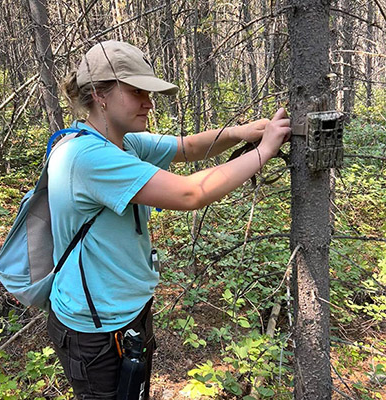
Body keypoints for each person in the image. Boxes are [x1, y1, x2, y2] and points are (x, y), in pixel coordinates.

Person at [46, 40, 291, 400]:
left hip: (128, 313)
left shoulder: (123, 143)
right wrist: (265, 150)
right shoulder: (87, 157)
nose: (149, 101)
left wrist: (242, 133)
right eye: (136, 91)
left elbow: (187, 147)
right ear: (99, 94)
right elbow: (189, 194)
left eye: (149, 91)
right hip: (95, 332)